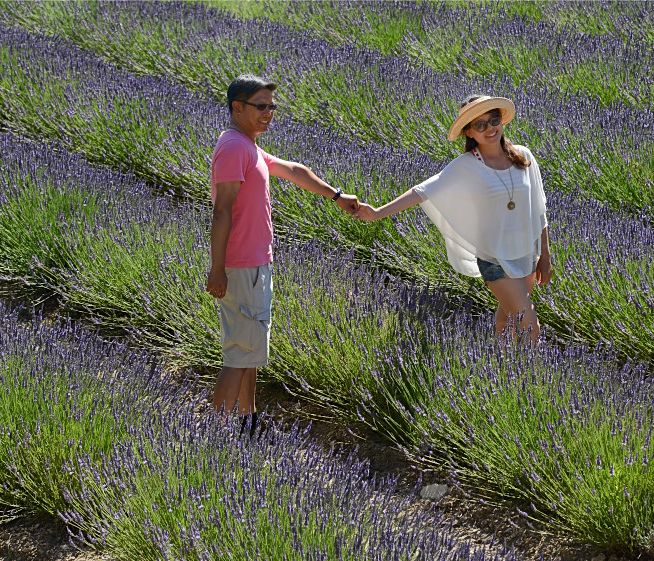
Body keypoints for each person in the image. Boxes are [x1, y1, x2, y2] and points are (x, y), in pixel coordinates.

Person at [207, 74, 360, 432]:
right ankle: (214, 437)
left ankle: (248, 421)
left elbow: (293, 170)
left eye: (272, 106)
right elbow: (221, 211)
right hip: (242, 266)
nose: (268, 113)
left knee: (251, 351)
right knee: (239, 353)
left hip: (256, 264)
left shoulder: (248, 146)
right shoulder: (233, 148)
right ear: (237, 108)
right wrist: (218, 269)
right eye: (260, 106)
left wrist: (337, 197)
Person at [357, 94, 552, 341]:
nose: (489, 129)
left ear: (501, 120)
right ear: (470, 133)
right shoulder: (466, 165)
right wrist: (377, 213)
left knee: (508, 320)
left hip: (526, 254)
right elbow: (423, 190)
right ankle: (529, 376)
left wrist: (544, 256)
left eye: (493, 120)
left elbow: (539, 208)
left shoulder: (524, 156)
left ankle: (501, 368)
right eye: (479, 125)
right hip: (495, 260)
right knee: (529, 326)